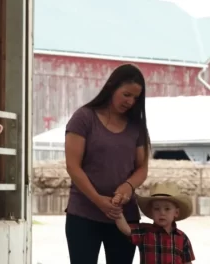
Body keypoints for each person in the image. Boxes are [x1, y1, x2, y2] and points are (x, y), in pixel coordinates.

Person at [64, 63, 150, 264]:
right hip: (83, 214)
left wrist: (128, 186)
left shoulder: (137, 126)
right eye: (126, 94)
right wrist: (98, 200)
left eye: (136, 98)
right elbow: (72, 166)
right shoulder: (84, 117)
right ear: (112, 86)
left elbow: (142, 168)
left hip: (124, 216)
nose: (130, 101)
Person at [112, 182, 195, 264]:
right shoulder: (144, 231)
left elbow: (187, 262)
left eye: (167, 209)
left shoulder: (183, 238)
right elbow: (125, 229)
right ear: (151, 212)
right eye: (156, 208)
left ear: (176, 213)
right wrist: (117, 210)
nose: (162, 213)